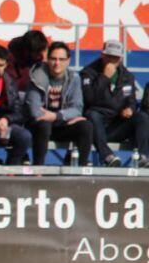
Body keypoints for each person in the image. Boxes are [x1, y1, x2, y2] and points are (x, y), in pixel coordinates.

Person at [81, 39, 149, 168]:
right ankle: (107, 156)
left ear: (121, 58)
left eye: (115, 58)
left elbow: (132, 101)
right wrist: (104, 77)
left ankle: (144, 157)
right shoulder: (88, 73)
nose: (112, 61)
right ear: (103, 55)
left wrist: (130, 109)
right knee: (92, 115)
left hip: (116, 126)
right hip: (95, 125)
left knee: (142, 117)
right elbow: (89, 99)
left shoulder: (127, 76)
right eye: (109, 56)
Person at [25, 41, 92, 166]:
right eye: (53, 59)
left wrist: (58, 116)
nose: (57, 63)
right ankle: (38, 169)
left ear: (68, 61)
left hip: (61, 123)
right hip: (38, 126)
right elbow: (34, 111)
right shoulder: (37, 76)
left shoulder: (74, 78)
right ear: (47, 60)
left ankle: (79, 170)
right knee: (43, 125)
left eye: (61, 59)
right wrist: (64, 116)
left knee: (85, 126)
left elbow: (77, 108)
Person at [5, 29, 47, 93]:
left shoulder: (45, 54)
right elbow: (12, 84)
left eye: (44, 50)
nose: (42, 56)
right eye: (38, 53)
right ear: (28, 51)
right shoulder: (11, 61)